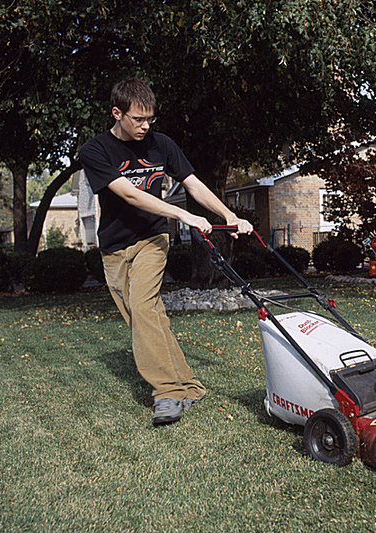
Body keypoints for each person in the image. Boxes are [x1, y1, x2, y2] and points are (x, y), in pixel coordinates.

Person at [79, 78, 252, 426]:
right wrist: (182, 213)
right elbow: (127, 193)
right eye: (137, 119)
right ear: (117, 113)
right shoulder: (95, 150)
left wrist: (228, 214)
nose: (145, 126)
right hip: (114, 247)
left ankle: (167, 394)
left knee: (143, 308)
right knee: (147, 319)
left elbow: (193, 183)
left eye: (150, 119)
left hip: (152, 240)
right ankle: (188, 385)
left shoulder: (162, 145)